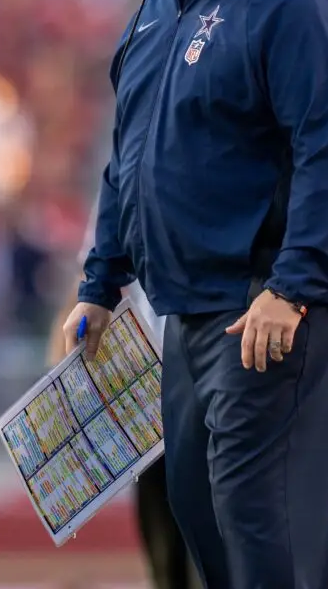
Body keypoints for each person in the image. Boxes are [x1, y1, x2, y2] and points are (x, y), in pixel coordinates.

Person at [61, 0, 328, 589]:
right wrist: (100, 284)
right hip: (192, 307)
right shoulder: (154, 17)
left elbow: (327, 153)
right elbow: (127, 162)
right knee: (195, 504)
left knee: (258, 512)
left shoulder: (291, 1)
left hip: (271, 300)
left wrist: (291, 289)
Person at [48, 202, 201, 589]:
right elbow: (87, 278)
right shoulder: (125, 168)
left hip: (206, 376)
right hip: (146, 387)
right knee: (166, 553)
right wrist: (61, 383)